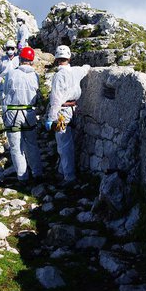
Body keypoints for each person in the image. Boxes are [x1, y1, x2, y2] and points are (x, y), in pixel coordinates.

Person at [44, 45, 90, 187]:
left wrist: (51, 118)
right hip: (74, 108)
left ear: (57, 59)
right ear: (69, 58)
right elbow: (86, 68)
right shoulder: (76, 71)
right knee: (68, 143)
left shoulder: (58, 76)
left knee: (64, 145)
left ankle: (69, 177)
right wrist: (87, 66)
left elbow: (56, 99)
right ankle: (62, 170)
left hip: (62, 111)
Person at [1, 47, 44, 184]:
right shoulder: (35, 76)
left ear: (20, 58)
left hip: (13, 113)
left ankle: (22, 176)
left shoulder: (12, 74)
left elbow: (6, 91)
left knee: (16, 146)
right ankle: (37, 172)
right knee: (32, 144)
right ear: (31, 61)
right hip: (29, 113)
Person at [0, 40, 20, 108]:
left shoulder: (18, 58)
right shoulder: (2, 59)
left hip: (15, 84)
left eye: (12, 48)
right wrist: (0, 79)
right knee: (4, 105)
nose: (10, 50)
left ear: (15, 48)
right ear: (6, 49)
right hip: (4, 84)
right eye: (8, 48)